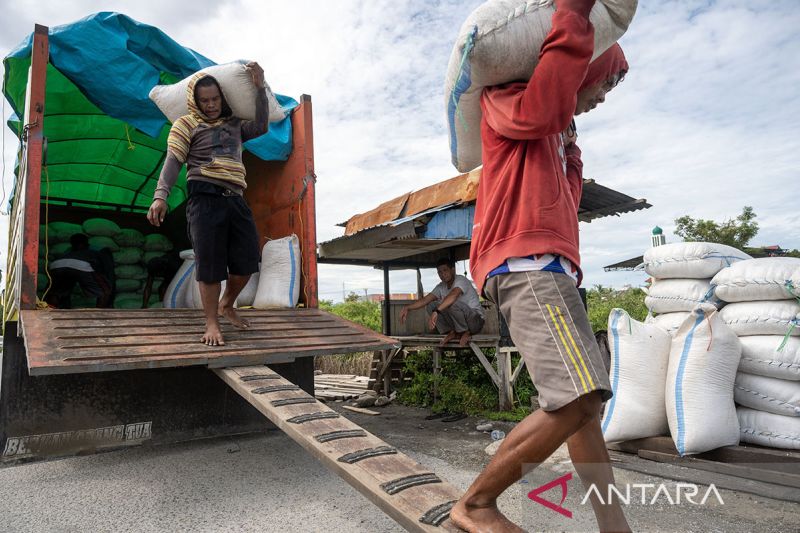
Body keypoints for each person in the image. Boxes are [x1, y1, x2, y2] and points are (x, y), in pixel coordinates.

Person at [450, 1, 631, 532]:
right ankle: (476, 504)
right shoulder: (506, 98)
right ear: (581, 66)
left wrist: (570, 153)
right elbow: (538, 112)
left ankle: (612, 524)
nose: (602, 95)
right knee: (576, 397)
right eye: (604, 82)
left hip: (550, 269)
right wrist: (573, 17)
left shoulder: (556, 134)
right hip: (525, 267)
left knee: (585, 407)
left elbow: (563, 205)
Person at [147, 62, 268, 346]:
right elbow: (174, 160)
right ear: (195, 101)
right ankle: (212, 322)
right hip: (204, 198)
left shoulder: (235, 124)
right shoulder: (185, 124)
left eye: (215, 99)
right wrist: (160, 195)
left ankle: (227, 304)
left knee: (248, 262)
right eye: (205, 101)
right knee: (210, 264)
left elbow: (262, 125)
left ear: (222, 98)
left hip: (236, 198)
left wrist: (259, 88)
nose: (211, 105)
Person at [399, 258, 484, 347]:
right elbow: (425, 300)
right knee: (431, 305)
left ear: (452, 270)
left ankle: (465, 332)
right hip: (459, 324)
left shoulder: (461, 280)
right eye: (439, 272)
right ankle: (452, 332)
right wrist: (407, 308)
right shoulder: (441, 287)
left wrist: (437, 311)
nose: (443, 274)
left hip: (475, 321)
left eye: (445, 270)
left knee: (450, 303)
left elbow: (453, 295)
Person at [46, 233, 114, 309]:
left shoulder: (68, 251)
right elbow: (103, 268)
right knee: (105, 291)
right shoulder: (96, 250)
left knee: (56, 291)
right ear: (86, 242)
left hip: (55, 265)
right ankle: (100, 314)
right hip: (81, 265)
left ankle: (50, 311)